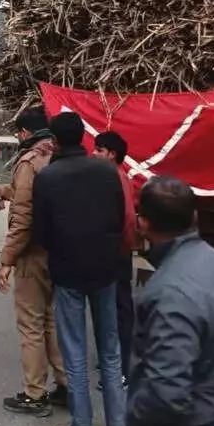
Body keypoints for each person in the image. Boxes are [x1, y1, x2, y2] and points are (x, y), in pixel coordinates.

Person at [127, 176, 214, 426]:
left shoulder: (168, 292)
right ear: (194, 217)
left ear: (143, 223)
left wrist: (135, 417)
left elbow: (166, 393)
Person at [32, 112, 126, 426]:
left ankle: (82, 424)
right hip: (105, 271)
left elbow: (40, 232)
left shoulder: (47, 176)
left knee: (74, 353)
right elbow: (117, 217)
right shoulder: (106, 171)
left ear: (55, 141)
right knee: (110, 353)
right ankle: (118, 423)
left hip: (68, 273)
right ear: (84, 138)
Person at [0, 107, 68, 418]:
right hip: (59, 251)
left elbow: (24, 216)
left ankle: (34, 394)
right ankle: (67, 385)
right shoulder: (60, 154)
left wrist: (7, 259)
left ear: (24, 132)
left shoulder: (29, 161)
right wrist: (4, 191)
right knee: (52, 321)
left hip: (32, 253)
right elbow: (35, 196)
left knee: (31, 325)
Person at [94, 131, 138, 388]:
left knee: (120, 310)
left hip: (117, 254)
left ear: (112, 154)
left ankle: (123, 371)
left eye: (99, 150)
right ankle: (112, 360)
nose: (94, 154)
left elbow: (129, 220)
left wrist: (122, 249)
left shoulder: (117, 179)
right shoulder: (108, 177)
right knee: (109, 308)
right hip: (111, 252)